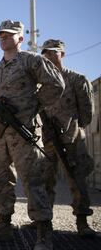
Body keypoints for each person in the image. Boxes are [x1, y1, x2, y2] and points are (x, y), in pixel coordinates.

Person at [0, 20, 65, 250]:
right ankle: (4, 225)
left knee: (33, 180)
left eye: (9, 35)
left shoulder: (31, 61)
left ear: (20, 38)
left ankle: (43, 232)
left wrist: (33, 107)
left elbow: (56, 84)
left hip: (24, 133)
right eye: (1, 35)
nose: (3, 38)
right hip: (0, 135)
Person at [41, 39, 96, 237]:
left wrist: (70, 127)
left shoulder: (76, 79)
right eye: (45, 53)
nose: (47, 56)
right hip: (47, 141)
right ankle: (43, 222)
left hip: (71, 139)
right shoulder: (41, 84)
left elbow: (86, 114)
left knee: (76, 179)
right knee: (44, 180)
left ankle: (82, 222)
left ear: (62, 54)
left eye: (52, 52)